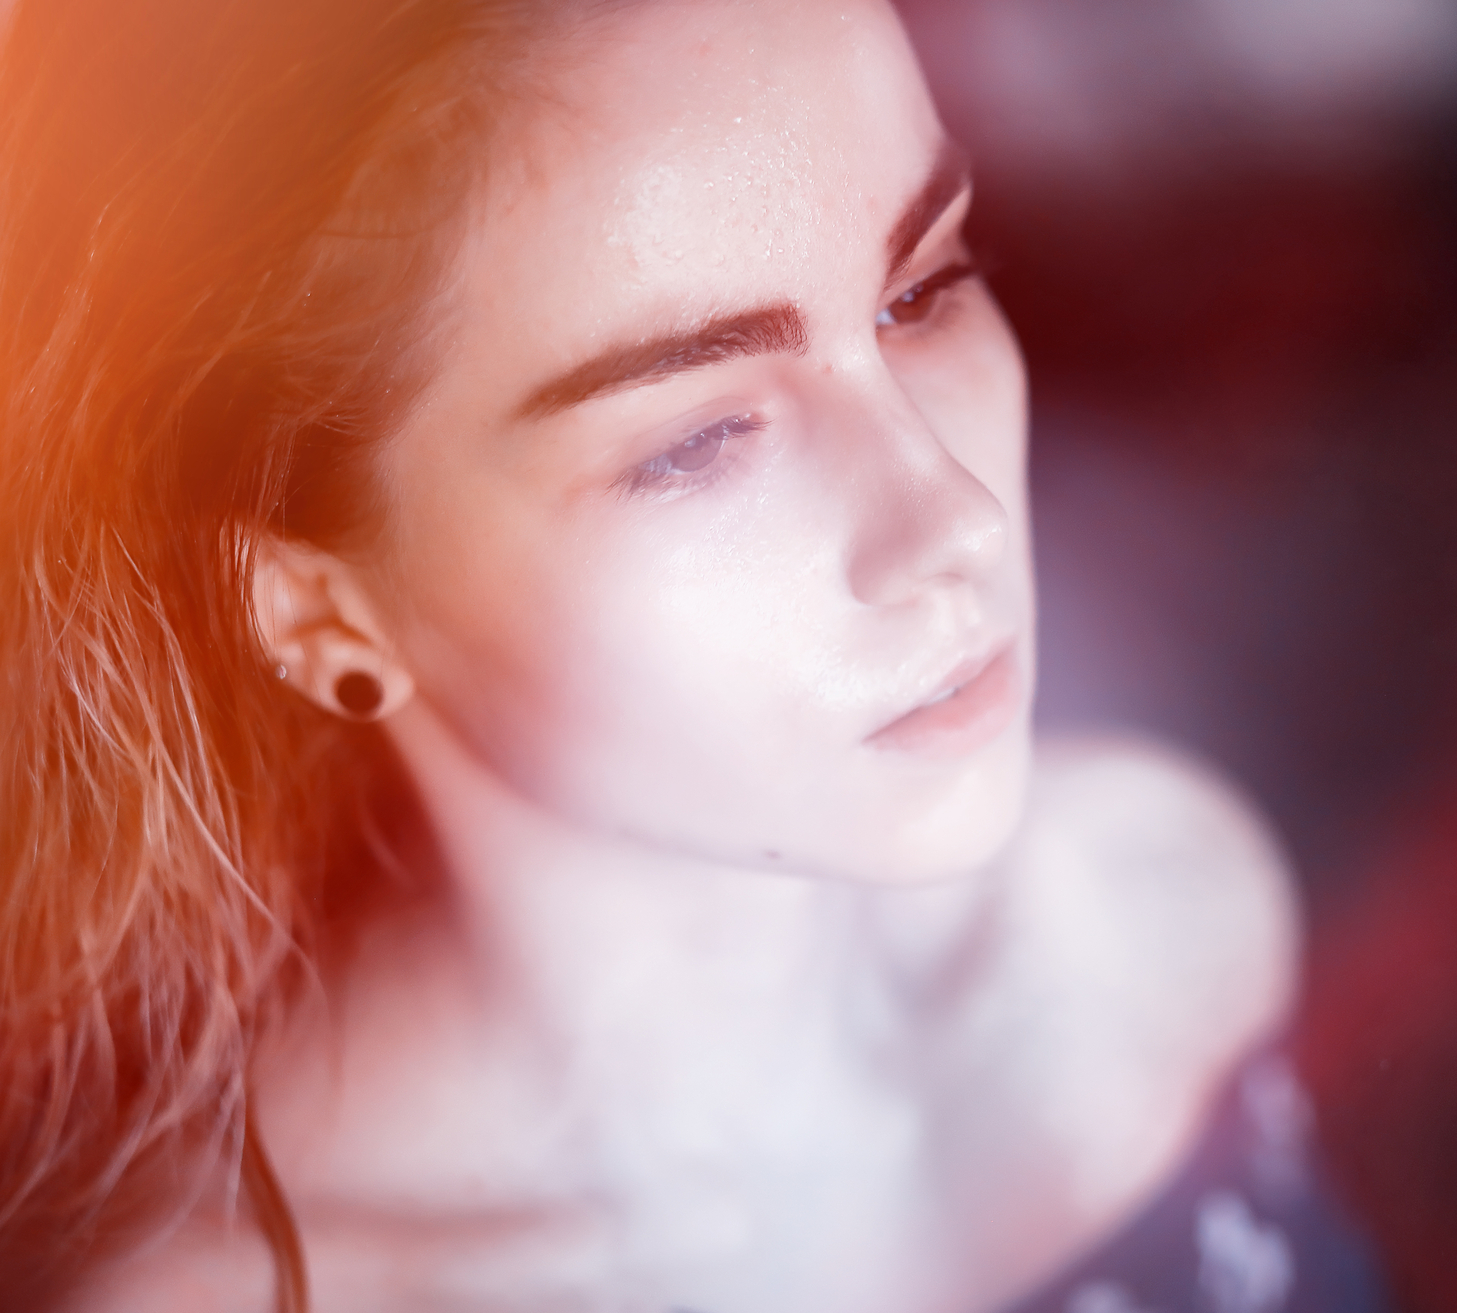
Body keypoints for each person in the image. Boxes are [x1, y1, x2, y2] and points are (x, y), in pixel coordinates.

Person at [0, 0, 1387, 1309]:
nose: (948, 517)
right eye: (695, 442)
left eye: (926, 289)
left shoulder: (1153, 913)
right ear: (325, 615)